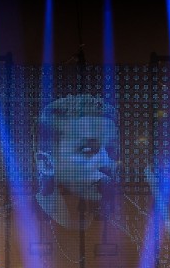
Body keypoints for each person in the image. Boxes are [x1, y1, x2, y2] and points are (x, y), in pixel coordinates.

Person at [34, 93, 120, 229]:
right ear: (47, 164)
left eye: (111, 151)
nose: (107, 163)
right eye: (88, 150)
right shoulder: (5, 225)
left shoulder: (126, 229)